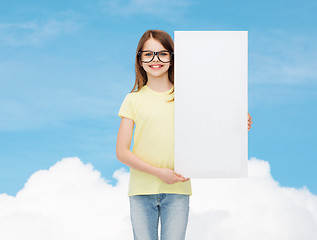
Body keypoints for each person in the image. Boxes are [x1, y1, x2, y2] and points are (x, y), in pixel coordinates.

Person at [116, 29, 253, 240]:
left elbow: (212, 125)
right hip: (141, 190)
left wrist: (237, 122)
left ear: (172, 58)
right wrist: (159, 172)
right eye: (148, 54)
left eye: (163, 53)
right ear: (140, 60)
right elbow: (122, 152)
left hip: (178, 190)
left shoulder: (189, 97)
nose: (156, 60)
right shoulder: (133, 99)